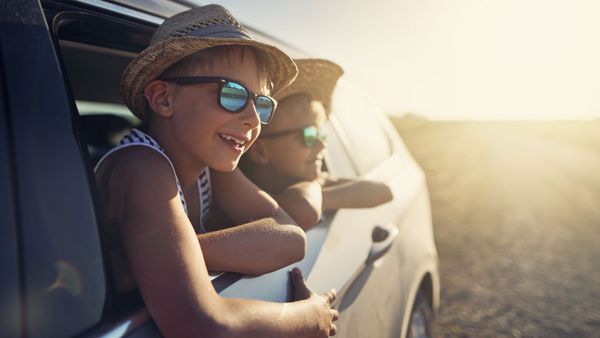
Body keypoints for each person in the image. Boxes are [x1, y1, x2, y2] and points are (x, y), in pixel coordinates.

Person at [94, 5, 338, 337]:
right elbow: (199, 324)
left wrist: (180, 253)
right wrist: (308, 316)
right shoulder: (142, 167)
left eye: (262, 104)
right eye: (233, 94)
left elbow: (291, 236)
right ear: (163, 99)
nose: (253, 118)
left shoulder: (211, 167)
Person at [240, 59, 393, 230]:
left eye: (322, 135)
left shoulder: (317, 181)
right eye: (309, 136)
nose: (322, 146)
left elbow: (384, 191)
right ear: (260, 151)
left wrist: (317, 199)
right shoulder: (236, 195)